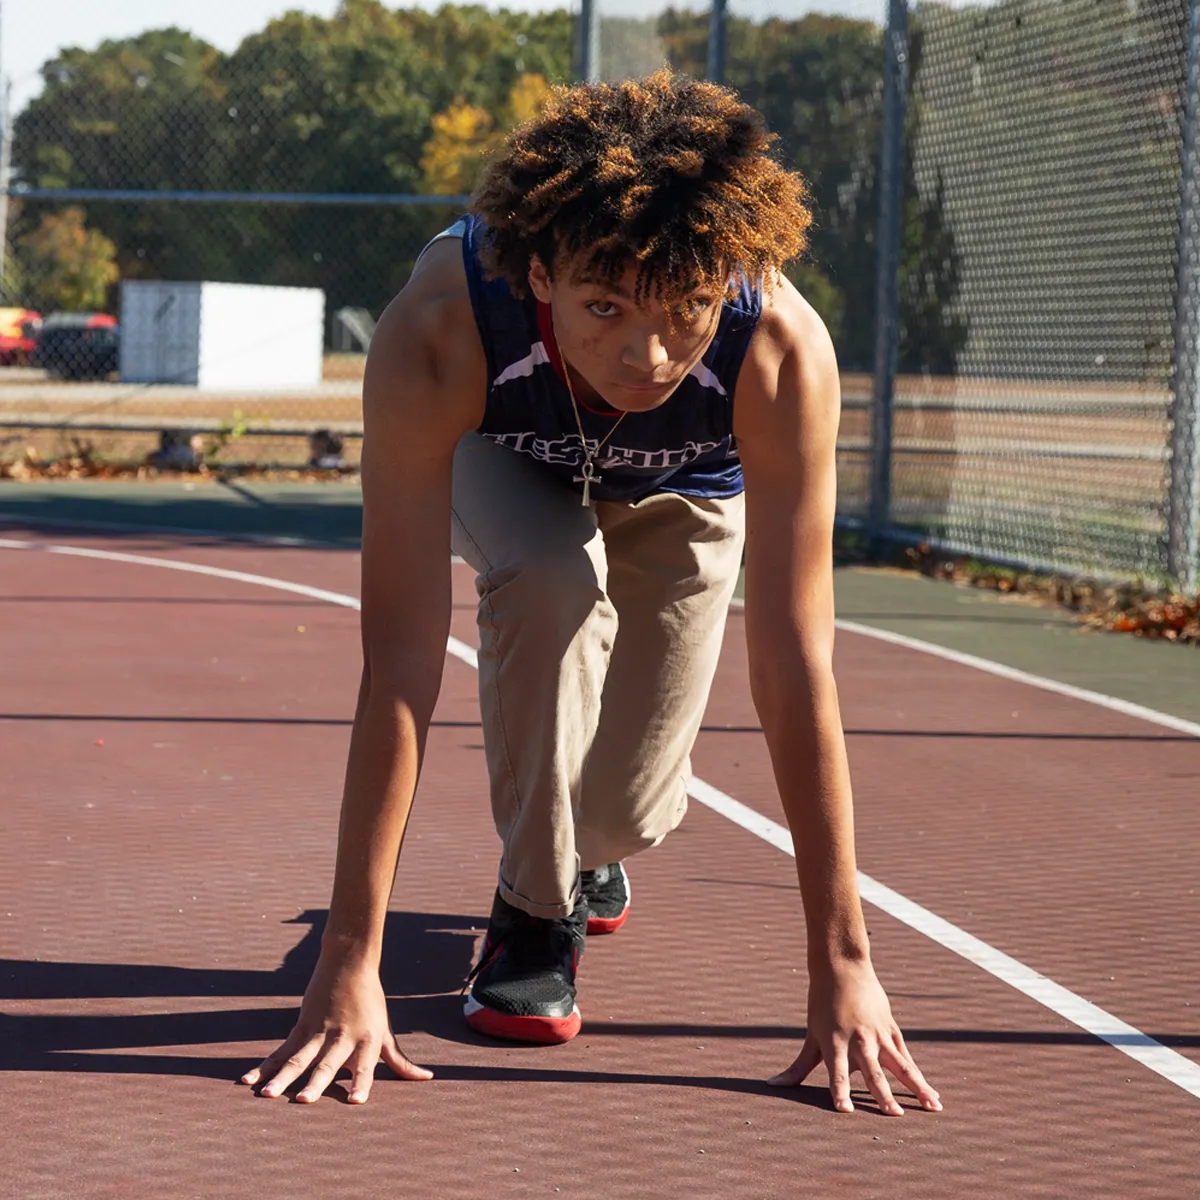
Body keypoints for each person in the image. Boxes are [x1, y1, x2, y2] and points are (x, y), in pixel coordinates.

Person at [241, 70, 942, 1118]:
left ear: (731, 284)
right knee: (550, 581)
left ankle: (587, 855)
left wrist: (844, 961)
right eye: (603, 308)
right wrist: (351, 960)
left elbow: (798, 663)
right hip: (509, 456)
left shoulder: (780, 352)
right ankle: (532, 913)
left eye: (686, 313)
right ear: (539, 274)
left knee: (622, 815)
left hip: (686, 485)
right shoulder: (441, 328)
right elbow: (398, 662)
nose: (645, 356)